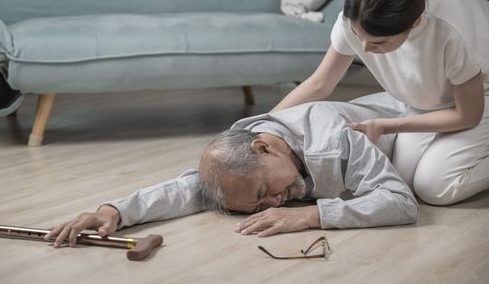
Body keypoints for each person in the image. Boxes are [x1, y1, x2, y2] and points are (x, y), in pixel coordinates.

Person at [45, 93, 418, 248]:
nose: (273, 203)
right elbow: (187, 189)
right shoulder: (241, 154)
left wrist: (313, 215)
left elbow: (401, 202)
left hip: (414, 124)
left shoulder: (334, 138)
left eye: (262, 192)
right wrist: (113, 211)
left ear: (264, 148)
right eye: (257, 205)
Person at [272, 0, 489, 206]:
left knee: (434, 187)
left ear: (415, 22)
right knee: (401, 181)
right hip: (431, 101)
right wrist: (256, 125)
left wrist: (386, 126)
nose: (365, 47)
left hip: (479, 100)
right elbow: (320, 84)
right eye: (358, 35)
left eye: (379, 42)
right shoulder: (357, 17)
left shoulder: (449, 29)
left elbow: (468, 115)